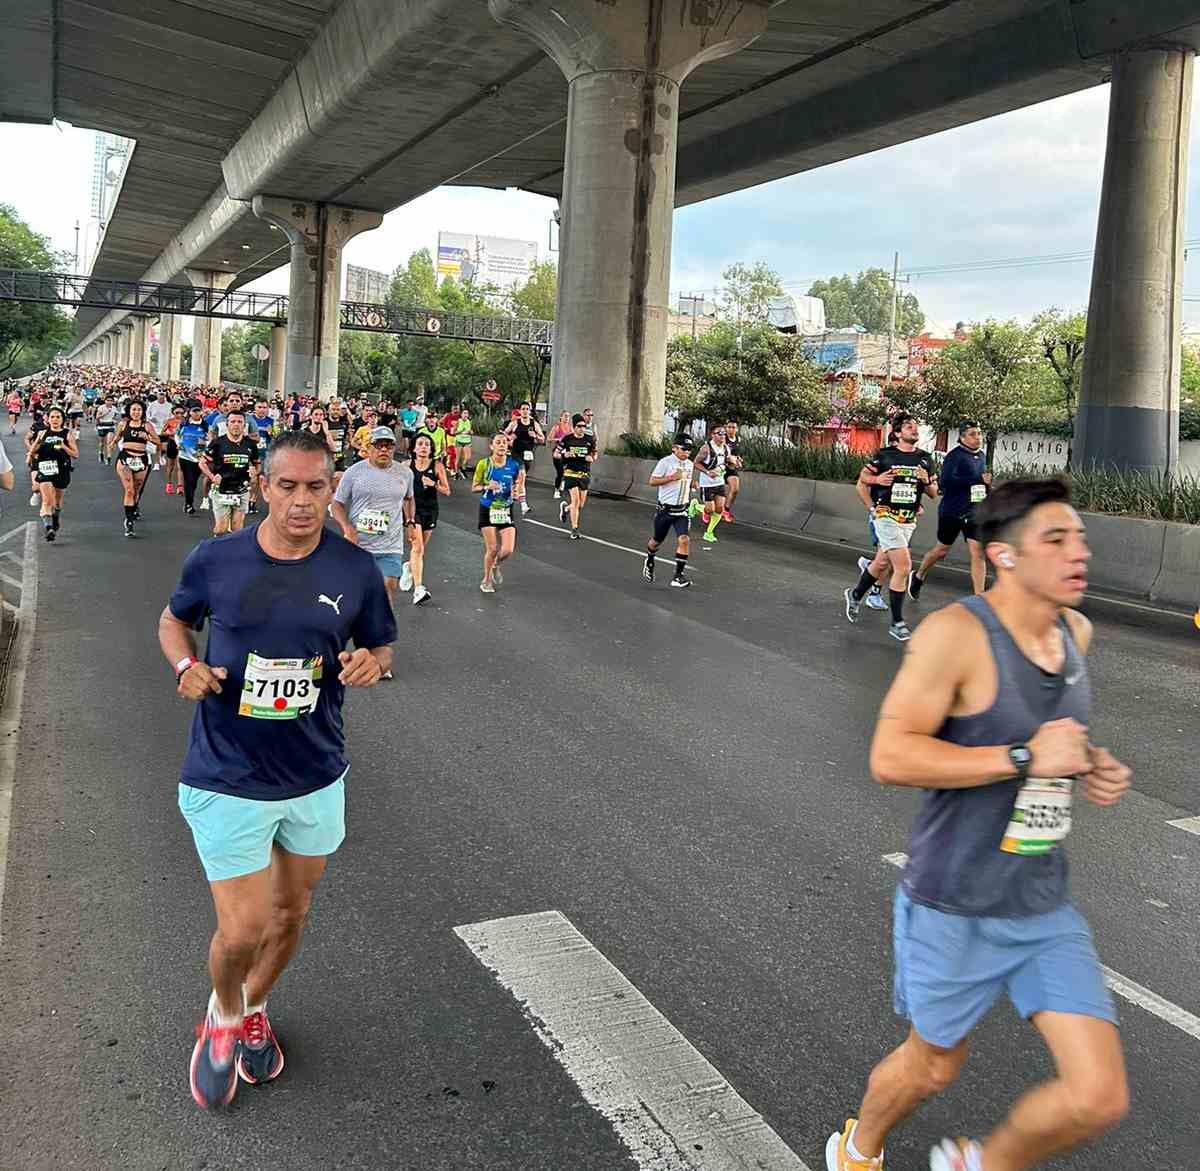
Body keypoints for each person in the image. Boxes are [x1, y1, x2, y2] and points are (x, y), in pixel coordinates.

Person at [825, 477, 1131, 1171]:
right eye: (1056, 539)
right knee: (932, 1068)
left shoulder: (1074, 631)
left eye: (1078, 536)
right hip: (953, 902)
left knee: (1098, 1095)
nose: (1078, 551)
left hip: (1040, 899)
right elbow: (891, 754)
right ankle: (857, 1151)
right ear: (1005, 556)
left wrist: (1091, 762)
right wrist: (1022, 754)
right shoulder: (957, 635)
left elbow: (1057, 739)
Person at [159, 428, 397, 1111]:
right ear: (263, 486)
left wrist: (371, 664)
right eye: (287, 485)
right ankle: (224, 1016)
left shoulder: (352, 570)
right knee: (241, 927)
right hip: (225, 770)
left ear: (332, 489)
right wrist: (186, 666)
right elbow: (173, 623)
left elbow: (379, 644)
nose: (301, 501)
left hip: (315, 770)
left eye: (315, 487)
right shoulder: (217, 558)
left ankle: (256, 1001)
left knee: (290, 912)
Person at [843, 414, 936, 642]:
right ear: (897, 433)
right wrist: (877, 481)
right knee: (903, 567)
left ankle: (855, 595)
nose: (914, 429)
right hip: (885, 515)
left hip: (908, 519)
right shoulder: (885, 455)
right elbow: (864, 477)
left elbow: (934, 493)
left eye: (916, 426)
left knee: (882, 562)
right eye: (908, 426)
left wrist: (926, 481)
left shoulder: (925, 459)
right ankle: (897, 622)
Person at [330, 425, 415, 615]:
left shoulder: (405, 473)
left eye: (389, 446)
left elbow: (409, 499)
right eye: (379, 445)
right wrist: (347, 528)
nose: (384, 450)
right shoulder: (354, 472)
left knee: (387, 589)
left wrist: (410, 521)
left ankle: (380, 635)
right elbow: (337, 504)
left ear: (394, 448)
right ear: (369, 447)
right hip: (359, 545)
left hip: (390, 545)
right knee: (358, 596)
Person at [910, 421, 992, 600]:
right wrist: (976, 479)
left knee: (978, 553)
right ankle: (918, 575)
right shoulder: (954, 456)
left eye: (979, 433)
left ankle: (980, 598)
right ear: (962, 438)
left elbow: (981, 483)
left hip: (974, 511)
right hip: (952, 511)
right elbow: (945, 483)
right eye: (972, 434)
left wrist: (987, 488)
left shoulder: (982, 456)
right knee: (941, 551)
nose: (977, 437)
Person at [400, 431, 450, 605]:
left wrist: (434, 484)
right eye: (420, 444)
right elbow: (399, 491)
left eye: (427, 445)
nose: (423, 447)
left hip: (430, 510)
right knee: (418, 548)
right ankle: (419, 589)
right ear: (413, 447)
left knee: (420, 550)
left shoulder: (437, 466)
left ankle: (408, 566)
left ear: (431, 449)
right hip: (412, 510)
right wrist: (407, 519)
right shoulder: (406, 465)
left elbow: (447, 490)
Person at [472, 432, 524, 594]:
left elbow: (518, 483)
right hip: (487, 508)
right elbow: (474, 487)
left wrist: (517, 491)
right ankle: (486, 579)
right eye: (498, 442)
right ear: (492, 446)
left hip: (505, 509)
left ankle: (496, 565)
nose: (502, 445)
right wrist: (487, 487)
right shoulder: (484, 464)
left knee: (508, 549)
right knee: (493, 548)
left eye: (504, 442)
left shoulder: (513, 465)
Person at [642, 435, 694, 588]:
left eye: (689, 450)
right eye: (684, 449)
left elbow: (686, 483)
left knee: (684, 539)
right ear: (674, 448)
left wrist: (693, 484)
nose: (687, 453)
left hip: (682, 511)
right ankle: (650, 558)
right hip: (665, 511)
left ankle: (678, 576)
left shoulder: (690, 465)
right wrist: (672, 477)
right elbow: (652, 481)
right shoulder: (665, 462)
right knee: (656, 542)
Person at [200, 410, 259, 536]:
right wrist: (212, 477)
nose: (236, 425)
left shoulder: (251, 444)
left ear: (244, 425)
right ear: (227, 424)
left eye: (239, 422)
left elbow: (257, 464)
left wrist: (255, 472)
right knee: (221, 529)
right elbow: (202, 463)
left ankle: (232, 554)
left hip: (241, 489)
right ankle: (218, 546)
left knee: (237, 529)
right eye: (232, 422)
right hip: (222, 489)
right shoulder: (218, 443)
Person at [28, 406, 78, 542]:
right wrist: (31, 456)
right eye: (52, 417)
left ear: (62, 420)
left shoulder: (67, 434)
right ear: (48, 420)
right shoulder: (42, 433)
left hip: (62, 469)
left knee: (57, 501)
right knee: (47, 500)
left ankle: (55, 518)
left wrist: (63, 446)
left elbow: (75, 454)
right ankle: (48, 527)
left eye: (58, 417)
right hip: (45, 468)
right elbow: (33, 449)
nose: (55, 420)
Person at [112, 400, 158, 537]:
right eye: (133, 410)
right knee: (129, 489)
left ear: (143, 412)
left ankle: (133, 508)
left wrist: (148, 437)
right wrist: (112, 444)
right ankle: (129, 521)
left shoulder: (147, 425)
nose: (136, 412)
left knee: (136, 490)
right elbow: (117, 437)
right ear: (129, 411)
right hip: (125, 458)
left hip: (141, 459)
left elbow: (157, 441)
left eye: (139, 410)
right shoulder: (123, 424)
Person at [555, 413, 596, 539]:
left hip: (584, 473)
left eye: (583, 426)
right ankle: (574, 529)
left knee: (580, 505)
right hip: (570, 473)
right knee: (576, 501)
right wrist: (564, 455)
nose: (581, 428)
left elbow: (595, 454)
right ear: (574, 427)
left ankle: (566, 509)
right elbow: (556, 454)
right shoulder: (567, 439)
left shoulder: (590, 439)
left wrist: (592, 458)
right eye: (579, 426)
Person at [688, 424, 732, 543]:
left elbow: (727, 462)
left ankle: (709, 533)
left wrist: (734, 463)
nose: (723, 436)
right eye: (719, 433)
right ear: (712, 435)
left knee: (719, 509)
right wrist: (708, 472)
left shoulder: (726, 448)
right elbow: (695, 463)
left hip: (720, 483)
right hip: (707, 484)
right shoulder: (706, 448)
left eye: (724, 433)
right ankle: (695, 506)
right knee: (710, 510)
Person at [504, 402, 544, 514]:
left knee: (518, 480)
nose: (525, 411)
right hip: (516, 453)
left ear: (530, 411)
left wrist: (535, 436)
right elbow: (504, 433)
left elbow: (542, 439)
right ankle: (523, 505)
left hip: (528, 454)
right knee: (522, 476)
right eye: (523, 409)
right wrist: (510, 438)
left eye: (527, 409)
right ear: (520, 411)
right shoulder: (515, 423)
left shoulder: (534, 424)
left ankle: (508, 502)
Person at [177, 401, 209, 516]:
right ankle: (189, 504)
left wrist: (204, 446)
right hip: (184, 456)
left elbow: (209, 440)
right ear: (189, 412)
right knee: (188, 479)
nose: (196, 413)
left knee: (193, 481)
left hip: (198, 457)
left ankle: (188, 501)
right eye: (193, 411)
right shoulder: (183, 424)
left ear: (201, 411)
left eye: (198, 411)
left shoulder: (205, 425)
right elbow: (177, 435)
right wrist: (179, 443)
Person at [160, 403, 184, 496]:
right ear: (173, 413)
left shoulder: (186, 422)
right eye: (177, 412)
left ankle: (180, 486)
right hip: (172, 444)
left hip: (181, 445)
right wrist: (171, 433)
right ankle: (169, 483)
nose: (179, 415)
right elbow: (162, 432)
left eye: (182, 413)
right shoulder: (170, 421)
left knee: (180, 466)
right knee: (170, 466)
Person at [722, 420, 744, 522]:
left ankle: (726, 511)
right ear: (726, 428)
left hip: (731, 469)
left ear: (737, 429)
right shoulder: (722, 438)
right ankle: (702, 509)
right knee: (717, 495)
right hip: (719, 468)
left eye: (733, 427)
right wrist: (729, 459)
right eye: (729, 427)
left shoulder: (738, 439)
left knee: (735, 489)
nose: (731, 429)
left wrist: (739, 460)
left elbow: (737, 454)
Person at [548, 410, 572, 499]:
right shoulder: (557, 427)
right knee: (560, 472)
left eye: (568, 416)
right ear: (561, 417)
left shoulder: (570, 428)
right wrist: (558, 439)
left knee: (567, 470)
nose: (567, 418)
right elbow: (549, 439)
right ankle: (556, 491)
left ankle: (563, 482)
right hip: (557, 452)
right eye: (565, 416)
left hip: (566, 452)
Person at [452, 408, 473, 479]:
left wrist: (470, 432)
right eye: (464, 413)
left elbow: (470, 431)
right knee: (458, 459)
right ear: (461, 415)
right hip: (459, 441)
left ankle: (462, 469)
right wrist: (460, 431)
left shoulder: (469, 422)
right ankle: (456, 473)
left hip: (467, 441)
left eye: (467, 413)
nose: (466, 415)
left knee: (468, 457)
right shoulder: (458, 421)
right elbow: (453, 432)